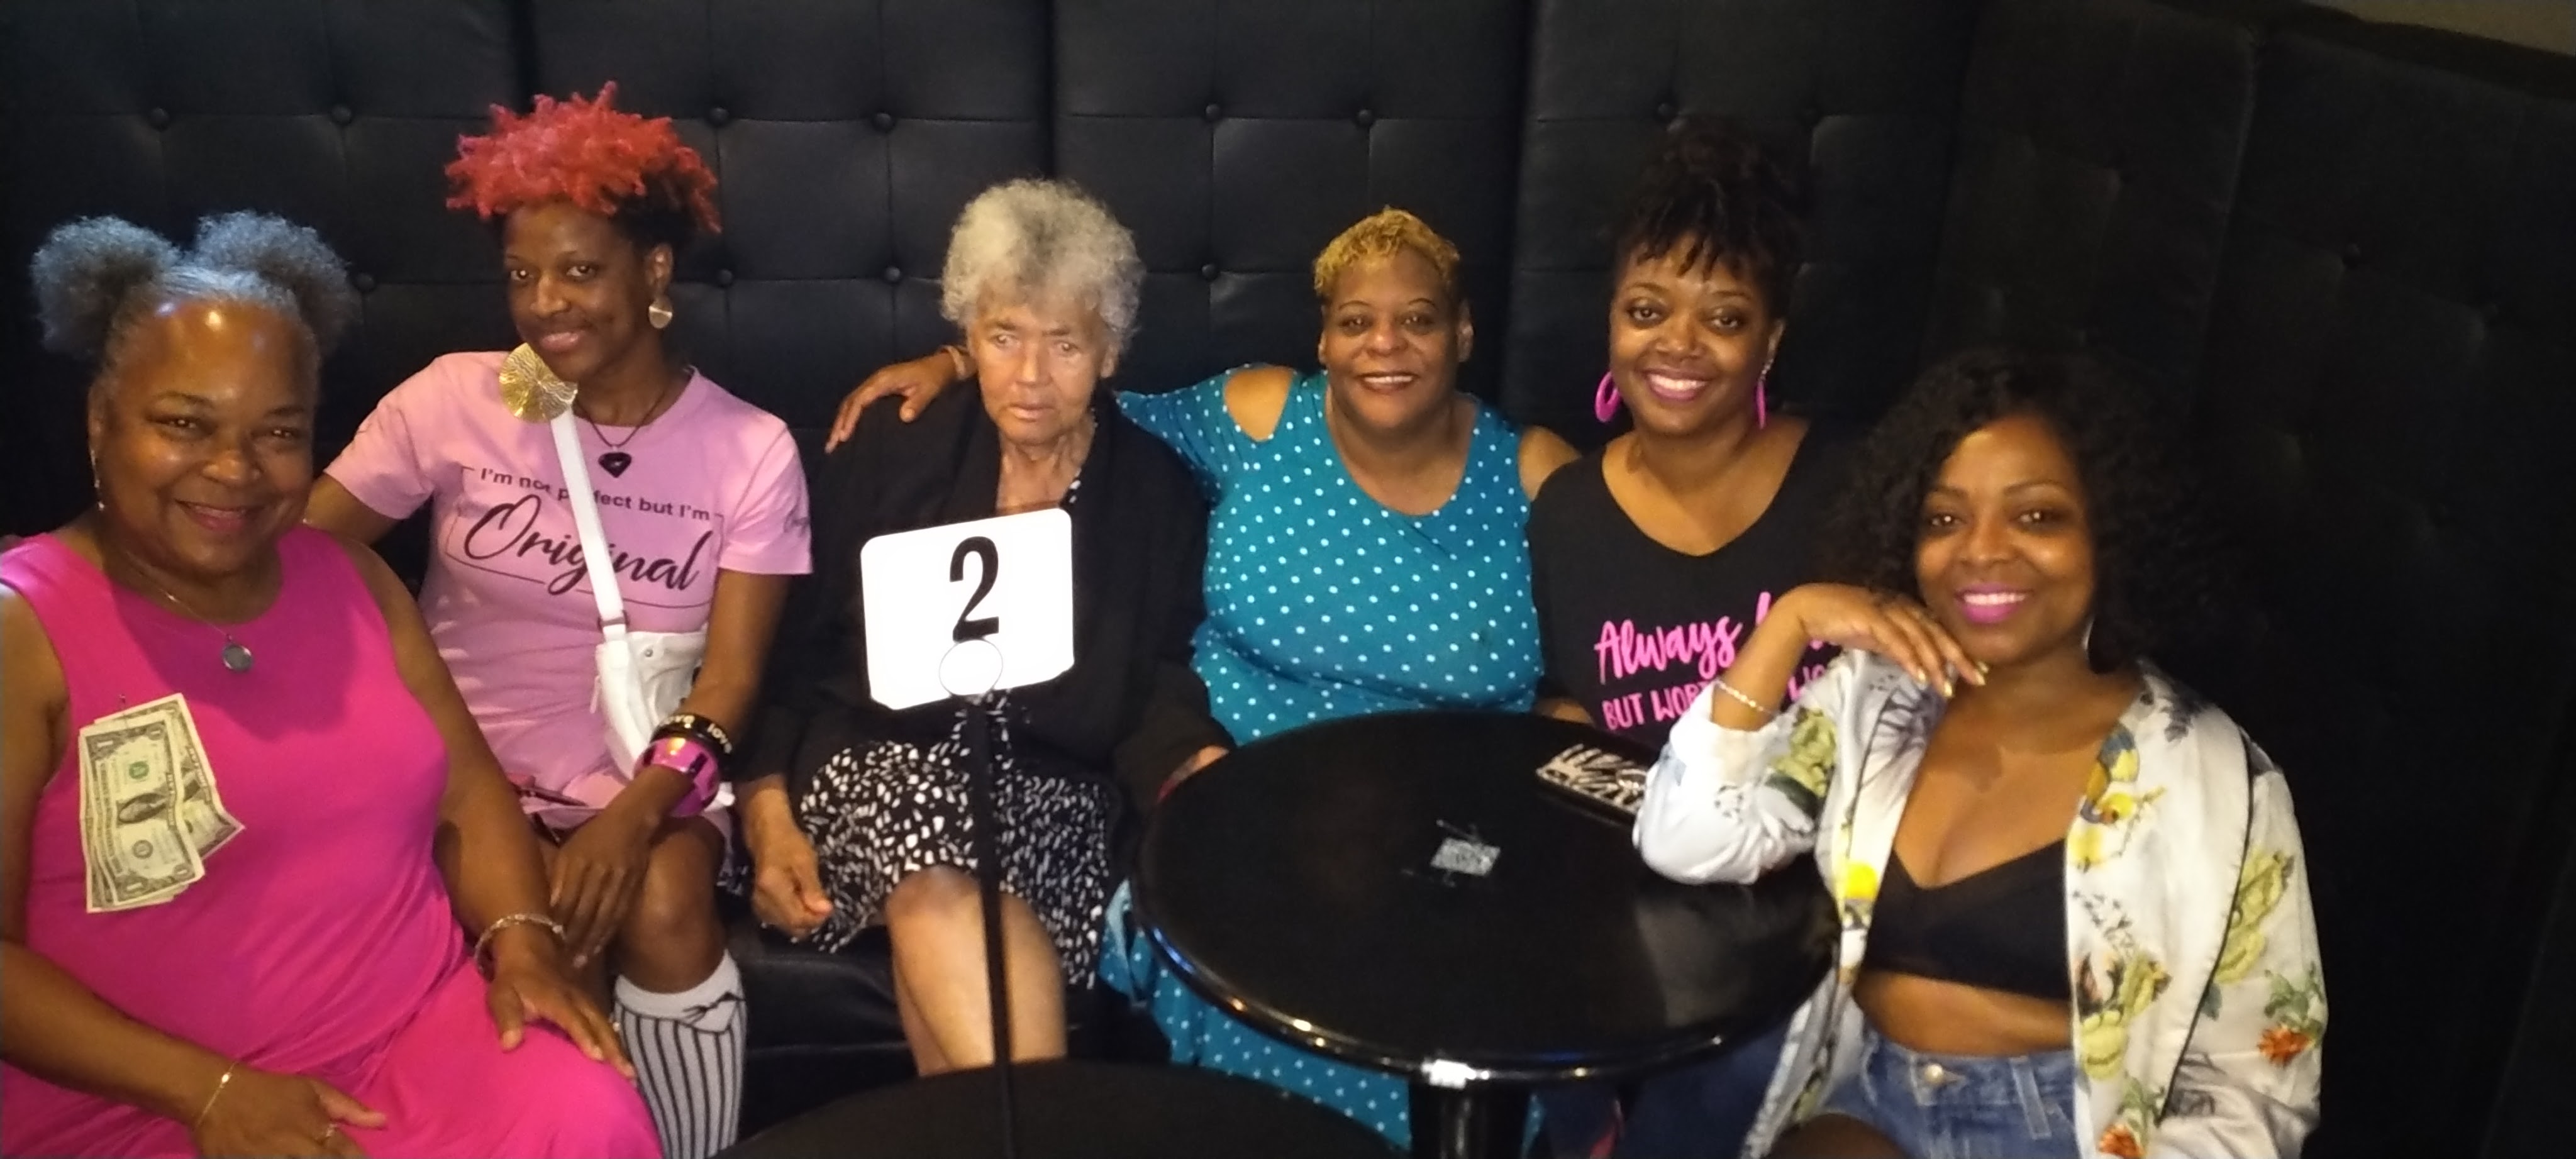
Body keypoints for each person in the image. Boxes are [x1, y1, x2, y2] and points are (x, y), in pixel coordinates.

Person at [828, 208, 1576, 1145]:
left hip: (1448, 826)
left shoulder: (1534, 472)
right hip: (1244, 806)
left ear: (1463, 332)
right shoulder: (1259, 415)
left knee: (1455, 992)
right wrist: (958, 360)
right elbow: (1065, 395)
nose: (1384, 344)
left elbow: (1594, 670)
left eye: (1418, 319)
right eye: (1355, 321)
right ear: (1323, 338)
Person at [1, 213, 654, 1158]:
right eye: (184, 423)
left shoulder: (352, 577)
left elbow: (470, 796)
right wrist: (209, 1091)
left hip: (417, 1033)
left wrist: (523, 944)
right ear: (101, 421)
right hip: (146, 1097)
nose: (234, 468)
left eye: (277, 432)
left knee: (586, 1113)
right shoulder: (23, 630)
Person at [1636, 349, 2323, 1158]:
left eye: (2037, 517)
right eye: (1943, 519)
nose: (1981, 550)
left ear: (2112, 534)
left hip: (2061, 1132)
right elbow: (1685, 836)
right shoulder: (1873, 699)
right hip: (1862, 1098)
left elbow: (2253, 1087)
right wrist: (1789, 624)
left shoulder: (2215, 779)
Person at [302, 86, 810, 1159]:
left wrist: (631, 816)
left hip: (642, 771)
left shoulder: (750, 448)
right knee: (541, 923)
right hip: (456, 768)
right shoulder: (457, 398)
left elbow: (729, 683)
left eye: (580, 272)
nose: (545, 306)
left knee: (663, 894)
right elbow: (302, 555)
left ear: (654, 273)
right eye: (523, 276)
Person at [737, 179, 1229, 1075]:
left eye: (1064, 343)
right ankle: (1040, 1122)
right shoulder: (898, 443)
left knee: (945, 934)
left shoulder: (1153, 493)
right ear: (968, 338)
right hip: (884, 767)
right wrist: (765, 812)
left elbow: (1155, 684)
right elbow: (797, 650)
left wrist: (1191, 771)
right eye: (1004, 338)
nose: (1030, 376)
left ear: (1110, 352)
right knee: (931, 869)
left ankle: (1004, 1128)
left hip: (1055, 796)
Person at [1525, 118, 1845, 1159]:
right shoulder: (1571, 509)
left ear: (1771, 341)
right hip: (1635, 908)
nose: (1678, 344)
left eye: (1725, 317)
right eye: (1647, 309)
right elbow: (1573, 706)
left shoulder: (1849, 487)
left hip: (1815, 915)